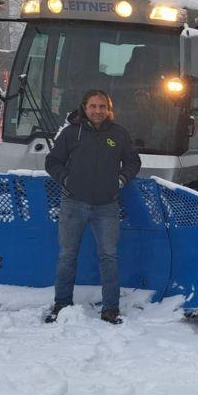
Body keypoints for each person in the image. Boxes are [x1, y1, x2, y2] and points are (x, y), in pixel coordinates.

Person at [43, 90, 142, 324]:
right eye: (93, 106)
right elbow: (52, 161)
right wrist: (67, 179)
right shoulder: (71, 133)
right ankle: (62, 304)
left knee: (109, 256)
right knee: (67, 256)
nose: (98, 111)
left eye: (102, 107)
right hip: (73, 203)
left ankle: (110, 309)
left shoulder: (119, 134)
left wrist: (121, 180)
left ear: (109, 110)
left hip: (107, 206)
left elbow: (133, 161)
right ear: (84, 108)